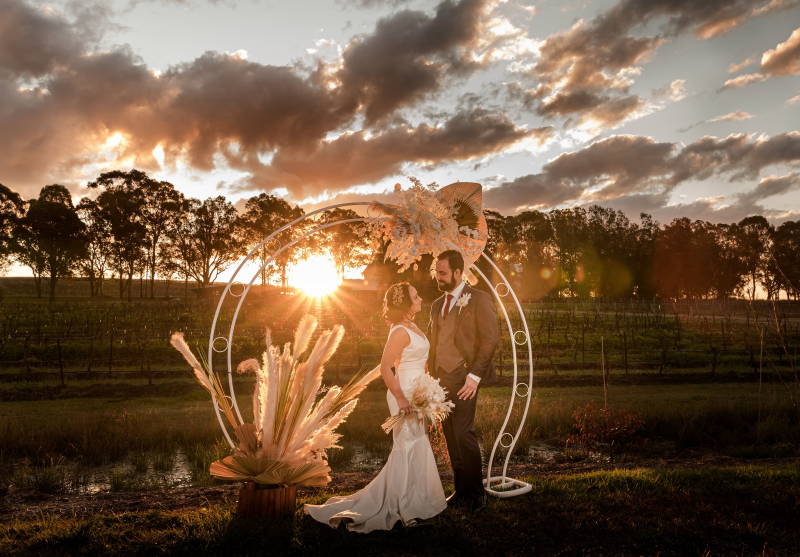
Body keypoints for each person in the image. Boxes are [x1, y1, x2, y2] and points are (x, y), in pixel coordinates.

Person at [304, 282, 447, 532]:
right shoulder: (399, 331)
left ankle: (419, 501)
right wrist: (401, 398)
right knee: (406, 445)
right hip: (402, 392)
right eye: (416, 295)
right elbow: (385, 368)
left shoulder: (413, 327)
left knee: (418, 443)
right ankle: (403, 505)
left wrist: (428, 388)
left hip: (418, 391)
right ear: (405, 304)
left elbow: (419, 362)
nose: (420, 297)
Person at [428, 249, 499, 513]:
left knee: (463, 433)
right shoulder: (436, 305)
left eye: (443, 272)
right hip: (439, 380)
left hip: (465, 377)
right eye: (437, 272)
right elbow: (434, 341)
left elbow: (490, 338)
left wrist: (475, 375)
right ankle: (461, 491)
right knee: (449, 435)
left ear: (458, 272)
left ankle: (477, 493)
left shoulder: (479, 299)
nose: (439, 276)